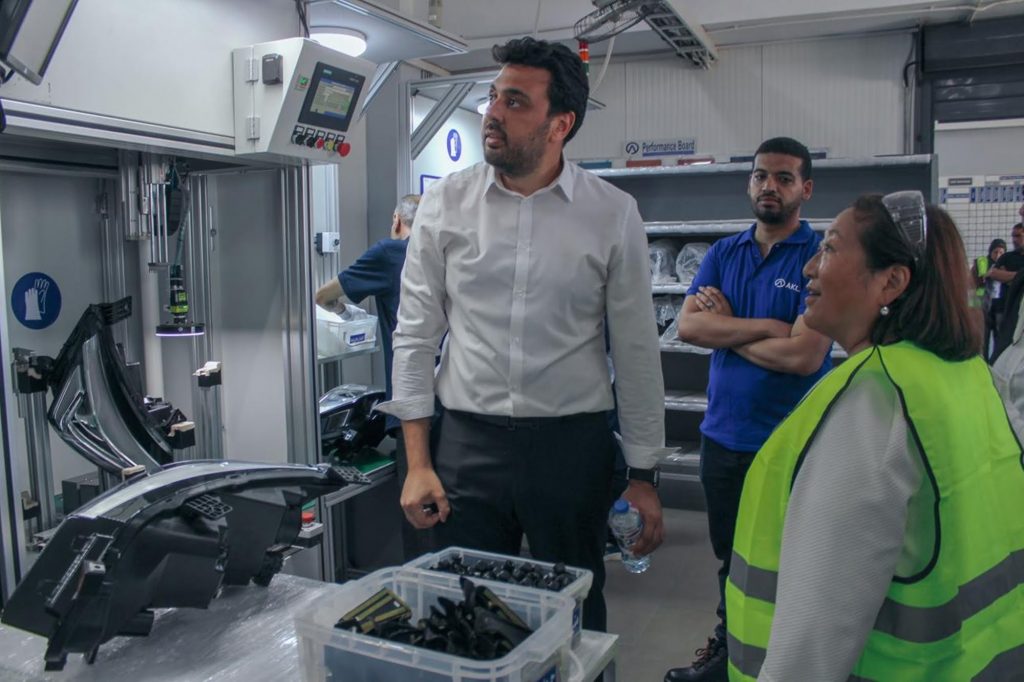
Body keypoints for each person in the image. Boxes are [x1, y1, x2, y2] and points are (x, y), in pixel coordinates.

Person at [378, 36, 666, 633]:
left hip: (571, 447)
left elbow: (636, 349)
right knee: (461, 611)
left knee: (575, 610)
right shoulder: (446, 204)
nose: (492, 114)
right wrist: (416, 461)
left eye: (514, 102)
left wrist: (642, 477)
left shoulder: (612, 213)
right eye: (492, 98)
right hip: (466, 446)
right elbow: (415, 337)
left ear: (560, 124)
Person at [726, 192, 1024, 681]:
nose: (809, 268)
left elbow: (813, 640)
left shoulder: (876, 403)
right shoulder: (972, 376)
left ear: (891, 282)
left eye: (830, 249)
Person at [667, 137, 833, 682]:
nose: (770, 186)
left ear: (805, 188)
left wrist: (726, 329)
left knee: (791, 563)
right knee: (732, 560)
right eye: (761, 175)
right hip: (723, 438)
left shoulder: (819, 258)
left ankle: (789, 661)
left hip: (789, 445)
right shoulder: (723, 252)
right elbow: (689, 327)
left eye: (784, 178)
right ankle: (731, 650)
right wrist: (766, 327)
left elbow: (804, 357)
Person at [314, 194, 432, 559]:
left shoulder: (390, 253)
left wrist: (338, 308)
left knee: (421, 516)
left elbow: (322, 295)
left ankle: (424, 586)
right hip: (455, 406)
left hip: (412, 409)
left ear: (397, 220)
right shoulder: (442, 255)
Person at [984, 221, 1024, 352]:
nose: (1014, 240)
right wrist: (1020, 276)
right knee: (1000, 343)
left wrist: (1008, 276)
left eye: (1018, 236)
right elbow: (994, 273)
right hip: (1005, 308)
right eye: (1013, 236)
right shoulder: (1008, 257)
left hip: (1021, 310)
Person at [972, 238, 1006, 359]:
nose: (998, 255)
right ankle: (983, 362)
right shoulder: (982, 262)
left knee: (999, 337)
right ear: (990, 252)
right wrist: (973, 308)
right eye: (995, 252)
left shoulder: (1006, 263)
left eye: (1001, 252)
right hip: (983, 305)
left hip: (1000, 305)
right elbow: (972, 283)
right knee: (982, 338)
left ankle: (996, 362)